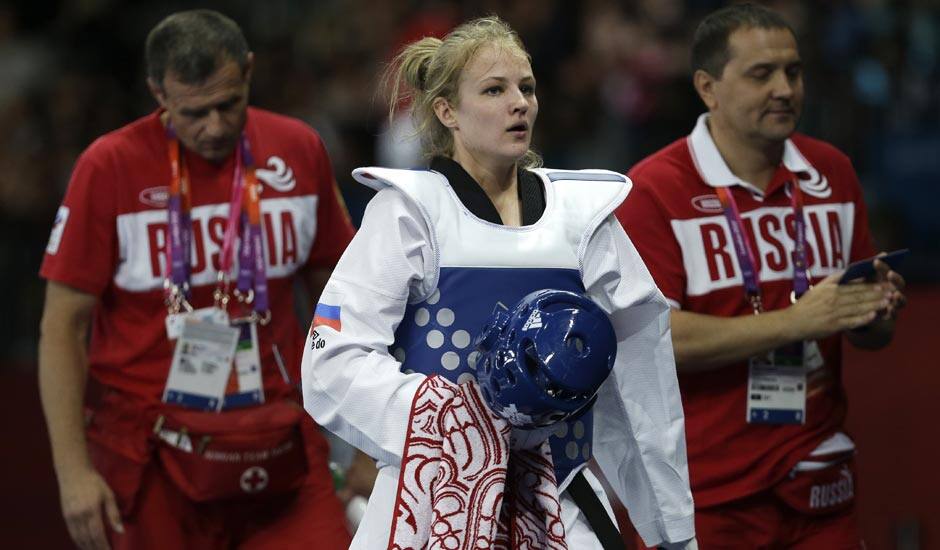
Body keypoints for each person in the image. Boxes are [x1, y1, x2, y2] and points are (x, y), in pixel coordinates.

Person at [301, 16, 696, 550]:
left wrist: (672, 530)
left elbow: (642, 371)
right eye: (494, 89)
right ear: (448, 112)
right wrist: (450, 418)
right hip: (432, 501)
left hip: (564, 499)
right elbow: (332, 360)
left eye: (527, 87)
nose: (521, 103)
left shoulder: (582, 218)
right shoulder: (411, 212)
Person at [38, 10, 361, 549]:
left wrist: (369, 449)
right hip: (150, 455)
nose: (214, 126)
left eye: (228, 103)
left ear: (249, 71)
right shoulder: (110, 166)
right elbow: (61, 327)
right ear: (156, 92)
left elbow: (347, 302)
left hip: (278, 440)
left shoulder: (296, 149)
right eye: (193, 112)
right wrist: (73, 473)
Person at [616, 4, 906, 548]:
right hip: (705, 491)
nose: (784, 88)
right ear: (708, 87)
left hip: (821, 481)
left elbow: (870, 334)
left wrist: (874, 311)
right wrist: (797, 321)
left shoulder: (833, 172)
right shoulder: (654, 189)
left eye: (793, 72)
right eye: (760, 74)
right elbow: (656, 339)